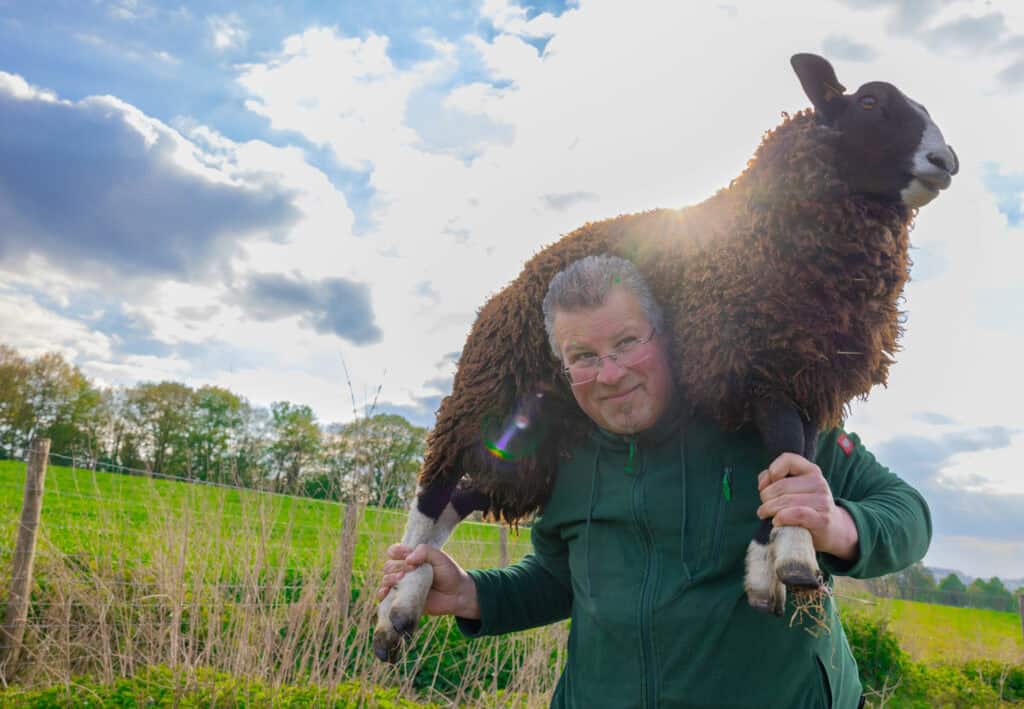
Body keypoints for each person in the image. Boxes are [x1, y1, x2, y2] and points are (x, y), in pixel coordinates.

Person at [378, 255, 931, 708]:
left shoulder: (768, 421)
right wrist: (474, 594)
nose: (611, 373)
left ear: (665, 336)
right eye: (584, 357)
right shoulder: (563, 457)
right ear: (562, 367)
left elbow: (908, 514)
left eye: (626, 343)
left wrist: (838, 526)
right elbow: (562, 579)